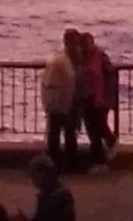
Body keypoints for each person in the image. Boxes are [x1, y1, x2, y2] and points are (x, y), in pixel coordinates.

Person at [41, 30, 80, 173]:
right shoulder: (60, 61)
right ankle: (57, 164)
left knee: (66, 134)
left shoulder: (65, 60)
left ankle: (66, 164)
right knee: (56, 135)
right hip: (59, 104)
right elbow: (50, 84)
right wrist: (51, 103)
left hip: (65, 103)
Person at [81, 33, 117, 170]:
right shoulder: (82, 58)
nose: (84, 46)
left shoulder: (100, 57)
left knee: (100, 127)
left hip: (99, 98)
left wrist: (107, 98)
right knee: (92, 130)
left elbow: (110, 78)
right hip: (87, 97)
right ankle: (99, 160)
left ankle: (109, 146)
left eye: (86, 43)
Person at [14, 154, 76, 221]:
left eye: (34, 176)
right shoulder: (52, 195)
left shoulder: (58, 199)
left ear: (44, 173)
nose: (33, 182)